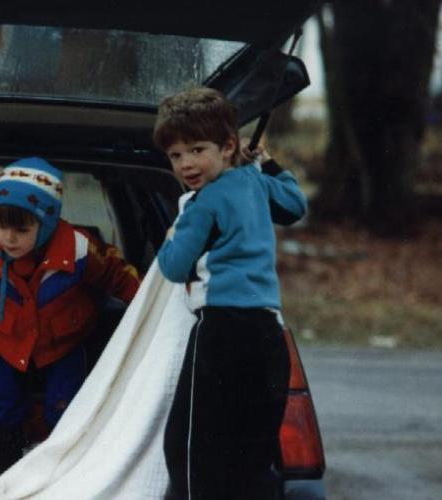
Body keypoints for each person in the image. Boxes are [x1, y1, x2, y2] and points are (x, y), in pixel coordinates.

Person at [153, 88, 307, 500]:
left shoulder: (201, 204)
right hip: (268, 333)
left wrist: (170, 237)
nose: (186, 164)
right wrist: (267, 162)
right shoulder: (255, 182)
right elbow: (295, 205)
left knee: (190, 446)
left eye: (196, 150)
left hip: (221, 332)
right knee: (251, 452)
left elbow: (174, 267)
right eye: (175, 155)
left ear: (228, 146)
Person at [0, 157, 141, 474]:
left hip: (64, 344)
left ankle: (59, 472)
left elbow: (117, 276)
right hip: (4, 343)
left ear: (46, 223)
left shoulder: (77, 248)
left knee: (67, 408)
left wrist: (146, 302)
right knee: (0, 406)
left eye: (21, 230)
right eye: (1, 226)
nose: (9, 238)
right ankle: (10, 470)